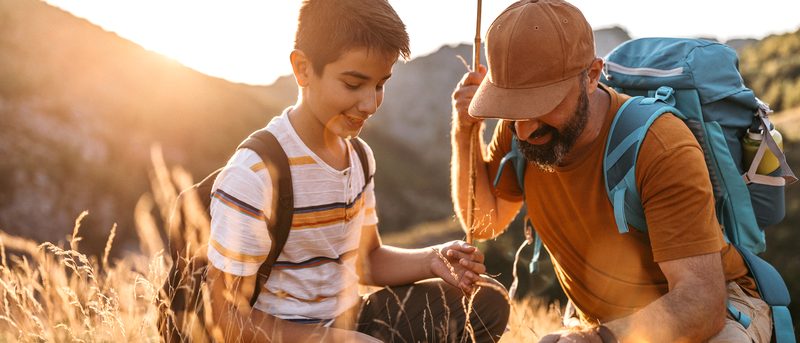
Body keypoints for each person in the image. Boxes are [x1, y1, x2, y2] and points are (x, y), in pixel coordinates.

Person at [450, 0, 771, 341]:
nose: (526, 129)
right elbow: (482, 221)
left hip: (711, 313)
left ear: (590, 76)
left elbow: (700, 304)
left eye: (543, 102)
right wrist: (464, 130)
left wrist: (595, 339)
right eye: (512, 107)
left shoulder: (658, 145)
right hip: (608, 325)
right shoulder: (519, 130)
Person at [205, 0, 509, 342]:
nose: (370, 104)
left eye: (380, 85)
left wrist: (432, 259)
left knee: (486, 302)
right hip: (281, 334)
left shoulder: (359, 157)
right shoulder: (255, 175)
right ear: (303, 69)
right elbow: (224, 318)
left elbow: (367, 260)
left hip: (352, 320)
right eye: (353, 84)